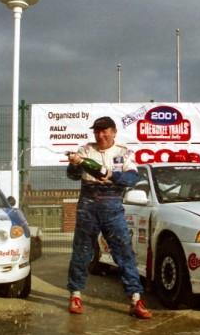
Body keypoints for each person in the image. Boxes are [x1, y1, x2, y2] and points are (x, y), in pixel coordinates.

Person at [65, 116, 152, 319]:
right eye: (97, 131)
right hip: (88, 206)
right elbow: (72, 175)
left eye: (105, 131)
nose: (100, 135)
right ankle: (75, 295)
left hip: (113, 206)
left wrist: (111, 175)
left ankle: (135, 299)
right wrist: (75, 164)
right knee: (82, 252)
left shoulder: (124, 152)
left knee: (124, 253)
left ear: (113, 132)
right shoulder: (85, 150)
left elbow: (132, 178)